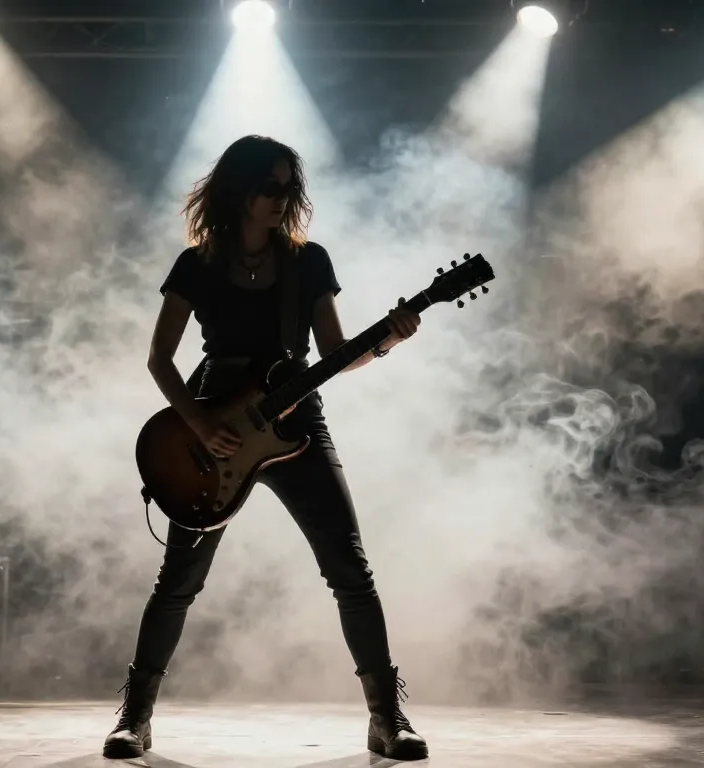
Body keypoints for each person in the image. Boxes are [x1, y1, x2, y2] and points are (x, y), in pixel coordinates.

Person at [104, 135, 427, 761]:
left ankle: (387, 718)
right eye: (270, 187)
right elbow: (159, 359)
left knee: (349, 568)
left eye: (289, 188)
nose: (282, 198)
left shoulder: (308, 262)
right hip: (213, 425)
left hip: (296, 423)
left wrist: (388, 339)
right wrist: (199, 424)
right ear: (240, 190)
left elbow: (337, 356)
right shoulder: (197, 263)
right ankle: (135, 718)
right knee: (179, 580)